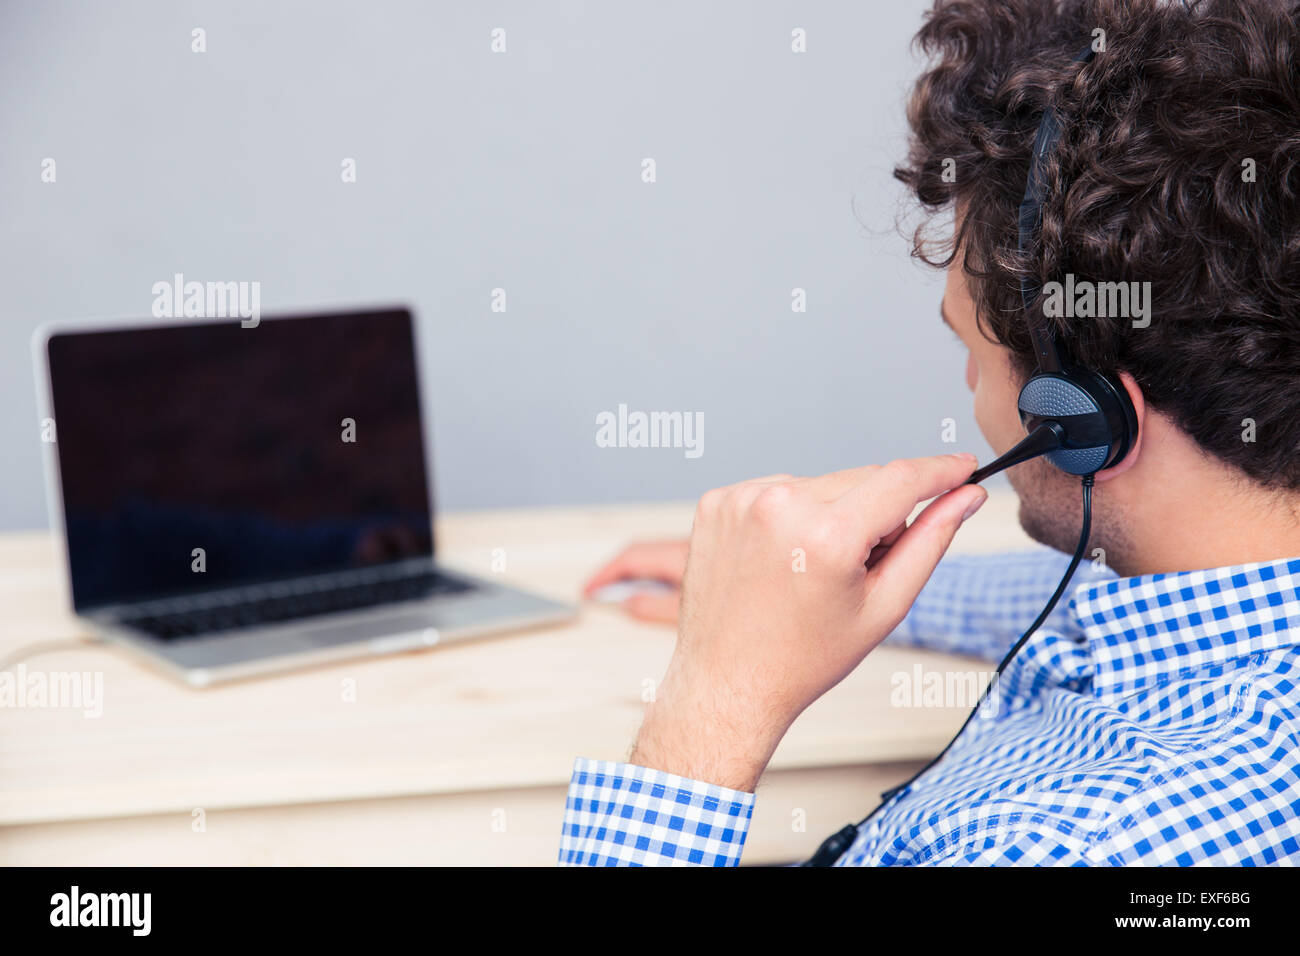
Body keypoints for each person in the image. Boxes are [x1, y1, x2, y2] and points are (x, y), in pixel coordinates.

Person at [559, 0, 1300, 866]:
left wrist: (711, 704)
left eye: (972, 351)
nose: (968, 390)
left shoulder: (1064, 846)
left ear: (1087, 422)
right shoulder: (1229, 607)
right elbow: (1067, 602)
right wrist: (793, 591)